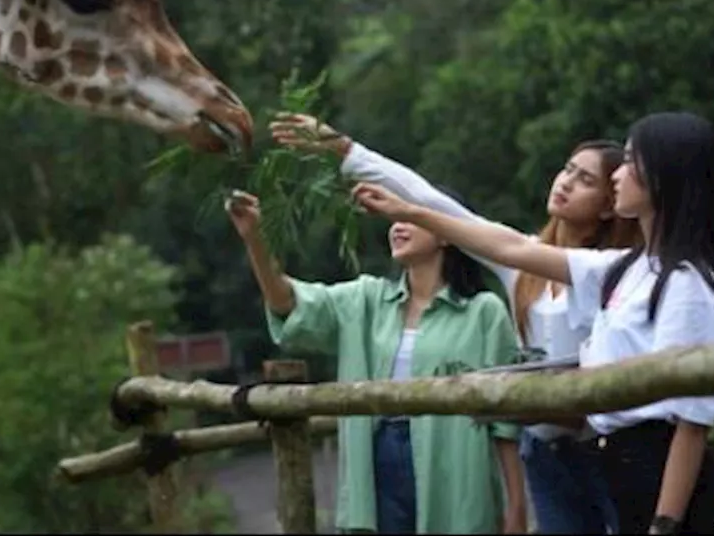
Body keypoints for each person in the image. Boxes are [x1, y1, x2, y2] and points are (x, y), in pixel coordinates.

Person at [350, 111, 714, 535]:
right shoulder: (629, 268)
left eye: (631, 162)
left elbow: (690, 423)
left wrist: (665, 524)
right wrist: (412, 211)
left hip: (657, 474)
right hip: (619, 464)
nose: (620, 175)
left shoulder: (687, 285)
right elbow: (508, 246)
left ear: (664, 177)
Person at [270, 113, 637, 534]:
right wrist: (346, 150)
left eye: (586, 180)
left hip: (609, 450)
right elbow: (432, 200)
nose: (566, 182)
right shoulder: (521, 266)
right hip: (545, 452)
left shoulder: (616, 272)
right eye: (568, 169)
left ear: (611, 205)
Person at [225, 187, 528, 534]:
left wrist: (517, 507)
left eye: (410, 217)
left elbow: (505, 424)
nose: (397, 226)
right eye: (394, 219)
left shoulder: (483, 312)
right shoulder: (365, 300)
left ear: (446, 233)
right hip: (378, 456)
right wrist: (255, 239)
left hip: (455, 461)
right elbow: (286, 303)